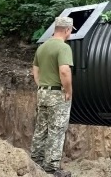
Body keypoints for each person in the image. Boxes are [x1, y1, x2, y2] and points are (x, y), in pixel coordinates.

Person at [30, 16, 75, 177]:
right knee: (57, 130)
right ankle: (51, 168)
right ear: (67, 30)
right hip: (57, 94)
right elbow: (64, 71)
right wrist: (68, 90)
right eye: (70, 31)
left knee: (41, 129)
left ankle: (35, 162)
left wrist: (41, 85)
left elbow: (35, 69)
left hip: (42, 92)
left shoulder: (42, 47)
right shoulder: (63, 48)